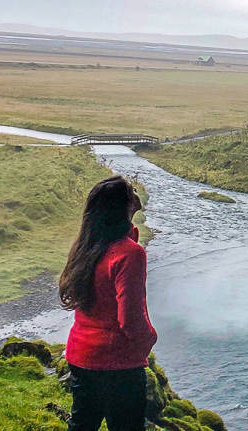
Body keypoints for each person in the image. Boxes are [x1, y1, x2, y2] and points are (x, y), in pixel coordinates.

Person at [59, 176, 158, 431]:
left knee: (82, 424)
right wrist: (148, 340)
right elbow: (131, 318)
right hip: (118, 363)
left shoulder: (88, 245)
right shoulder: (130, 254)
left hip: (81, 355)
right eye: (132, 191)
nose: (137, 193)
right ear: (124, 205)